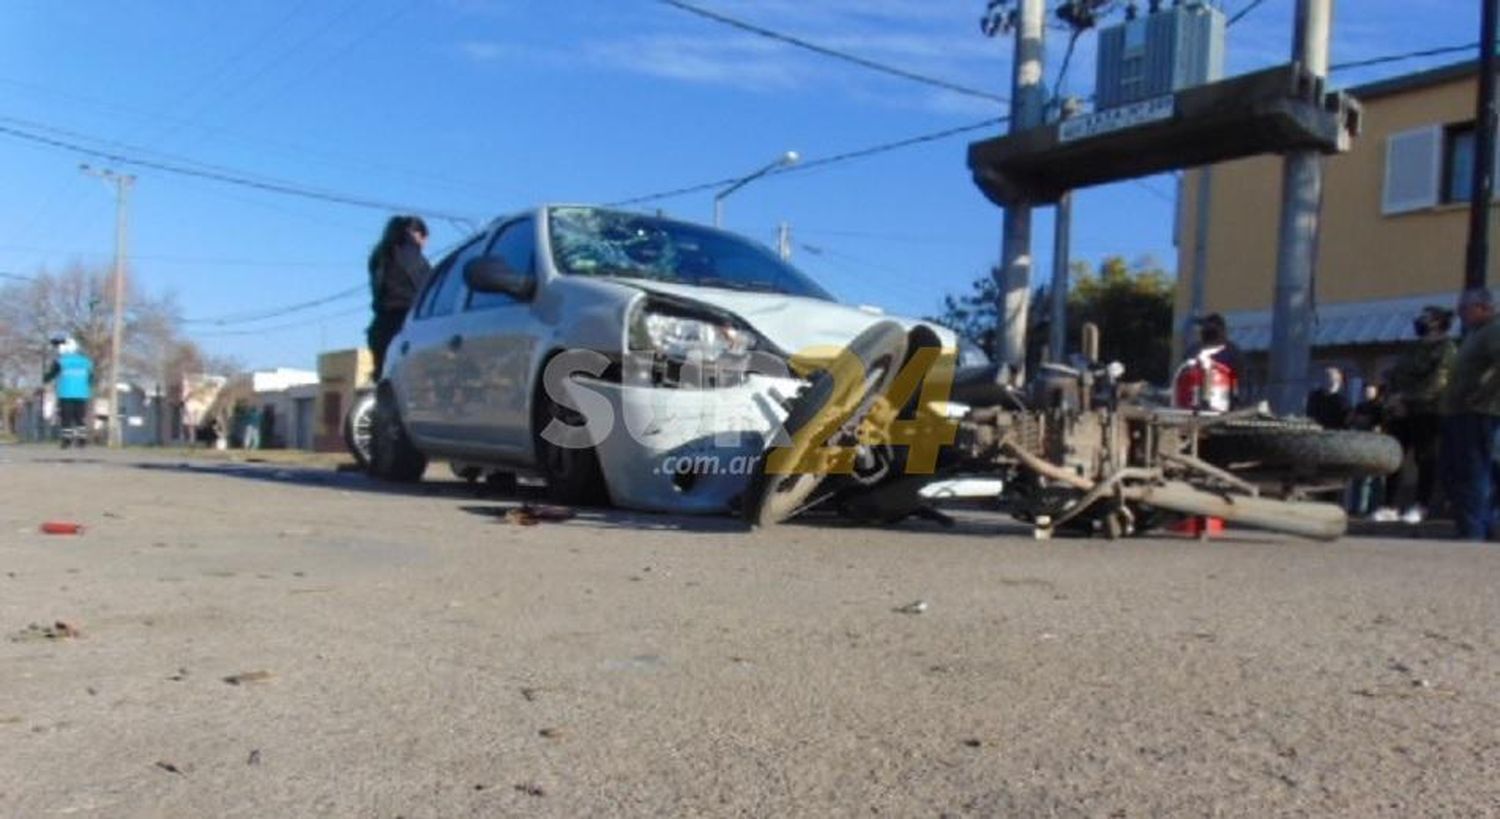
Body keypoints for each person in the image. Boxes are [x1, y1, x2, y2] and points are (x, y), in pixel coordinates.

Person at [1376, 306, 1456, 524]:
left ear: (1438, 322)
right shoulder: (1414, 347)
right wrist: (1392, 398)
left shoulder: (1446, 349)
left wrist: (1407, 399)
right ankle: (1389, 505)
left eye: (1426, 318)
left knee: (1425, 459)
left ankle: (1422, 506)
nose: (1420, 321)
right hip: (1401, 412)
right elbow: (1397, 374)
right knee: (1394, 458)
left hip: (1428, 412)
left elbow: (1438, 382)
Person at [1439, 287, 1500, 541]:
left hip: (1479, 414)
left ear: (1483, 308)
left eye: (1464, 309)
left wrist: (1483, 394)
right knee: (1461, 474)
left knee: (1475, 474)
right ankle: (1472, 530)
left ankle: (1474, 534)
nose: (1460, 314)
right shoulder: (1476, 333)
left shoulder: (1494, 330)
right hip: (1461, 413)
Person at [366, 215, 431, 380]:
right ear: (416, 234)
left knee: (385, 385)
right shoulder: (412, 257)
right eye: (424, 238)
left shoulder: (379, 256)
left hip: (380, 327)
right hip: (406, 326)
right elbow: (427, 290)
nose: (425, 245)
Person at [42, 336, 93, 449]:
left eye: (59, 346)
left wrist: (45, 378)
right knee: (80, 417)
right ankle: (82, 440)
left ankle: (66, 440)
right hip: (81, 393)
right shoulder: (86, 361)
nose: (58, 349)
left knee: (66, 417)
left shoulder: (60, 361)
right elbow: (91, 377)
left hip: (66, 393)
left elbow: (51, 374)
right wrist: (89, 387)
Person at [1347, 383, 1388, 516]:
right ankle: (1357, 507)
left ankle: (1371, 508)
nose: (1367, 394)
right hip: (1361, 445)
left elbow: (1381, 427)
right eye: (1366, 391)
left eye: (1370, 391)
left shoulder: (1380, 407)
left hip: (1375, 447)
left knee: (1372, 479)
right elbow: (1351, 421)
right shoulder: (1360, 407)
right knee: (1359, 478)